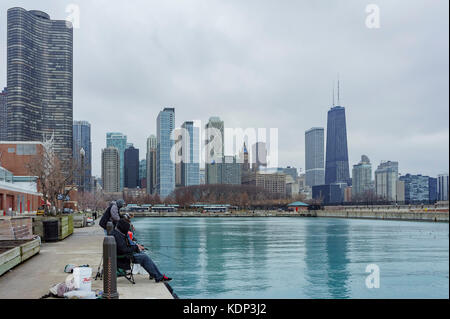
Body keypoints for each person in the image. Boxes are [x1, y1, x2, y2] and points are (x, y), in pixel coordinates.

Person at [112, 219, 172, 283]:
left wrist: (136, 247)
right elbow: (124, 249)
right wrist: (136, 247)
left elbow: (124, 247)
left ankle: (155, 274)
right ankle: (158, 276)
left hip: (123, 255)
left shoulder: (117, 233)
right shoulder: (118, 236)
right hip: (123, 257)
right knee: (144, 257)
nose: (127, 231)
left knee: (142, 254)